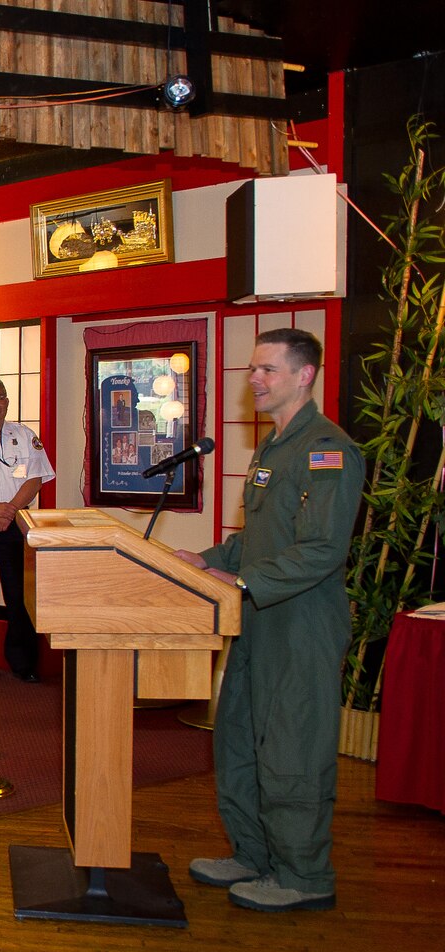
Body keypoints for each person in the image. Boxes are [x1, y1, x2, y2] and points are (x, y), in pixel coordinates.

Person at [173, 328, 363, 913]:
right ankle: (255, 854)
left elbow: (322, 549)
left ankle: (304, 874)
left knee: (292, 746)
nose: (254, 379)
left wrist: (247, 582)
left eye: (267, 370)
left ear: (304, 375)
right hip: (256, 618)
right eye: (253, 369)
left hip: (300, 622)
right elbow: (256, 541)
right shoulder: (273, 448)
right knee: (239, 740)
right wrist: (206, 560)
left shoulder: (328, 449)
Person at [0, 378, 54, 682]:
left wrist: (7, 512)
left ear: (7, 402)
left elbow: (35, 479)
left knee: (21, 597)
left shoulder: (24, 436)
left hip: (16, 522)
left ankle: (23, 665)